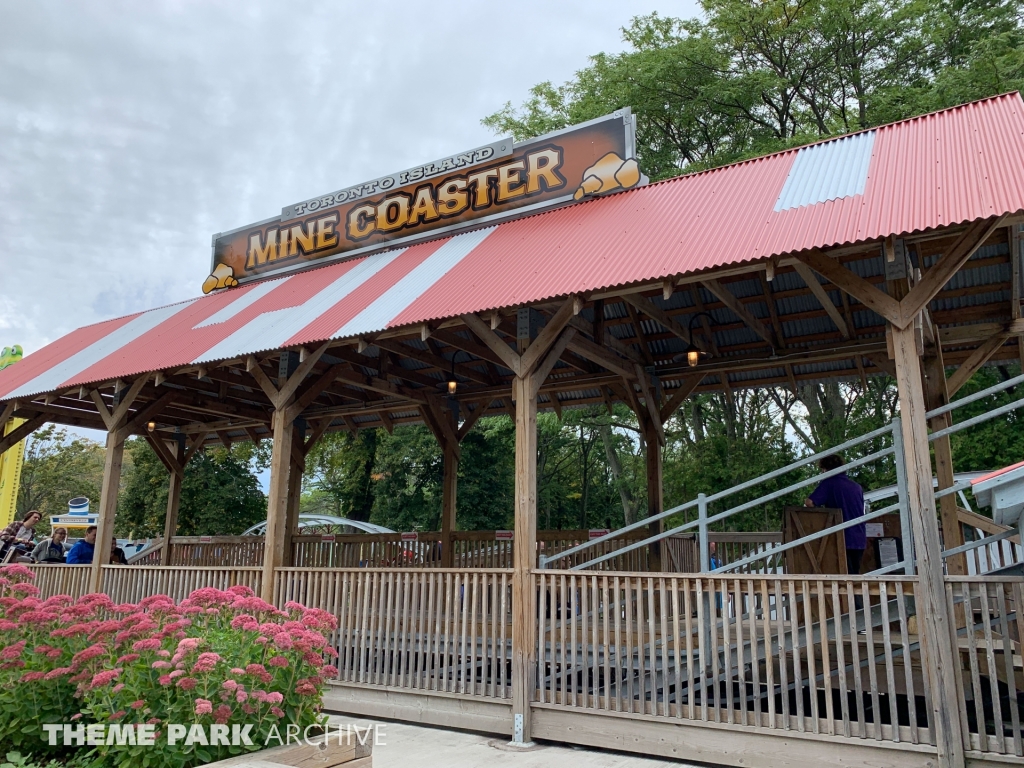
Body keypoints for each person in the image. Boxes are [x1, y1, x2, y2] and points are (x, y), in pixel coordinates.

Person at [804, 453, 866, 574]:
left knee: (842, 576)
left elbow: (810, 502)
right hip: (859, 536)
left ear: (826, 469)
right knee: (855, 575)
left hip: (841, 537)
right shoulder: (856, 487)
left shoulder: (829, 483)